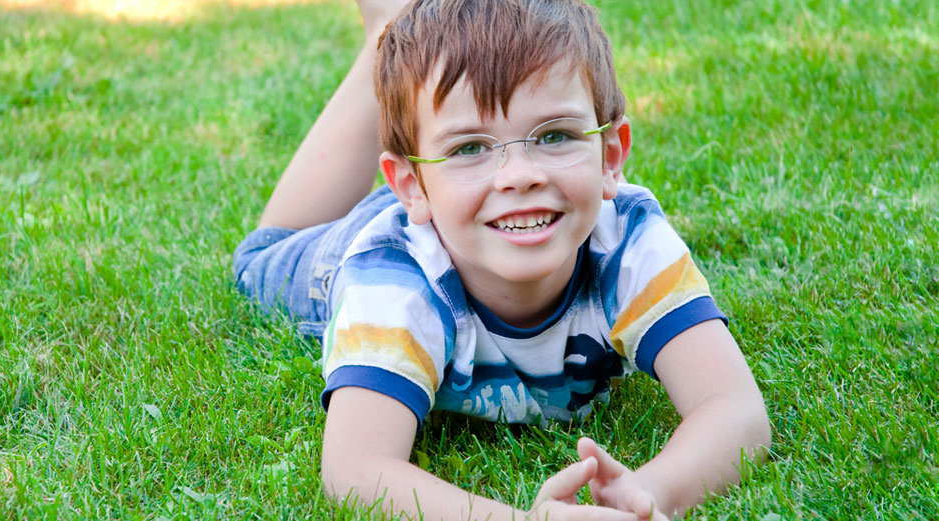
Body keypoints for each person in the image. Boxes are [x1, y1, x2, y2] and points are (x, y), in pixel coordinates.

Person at [233, 0, 771, 519]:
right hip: (362, 250)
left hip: (460, 208)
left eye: (555, 136)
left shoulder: (627, 240)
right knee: (256, 258)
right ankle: (386, 31)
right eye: (470, 146)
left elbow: (735, 407)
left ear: (610, 157)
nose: (520, 175)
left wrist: (648, 494)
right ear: (409, 185)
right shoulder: (392, 280)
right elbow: (355, 469)